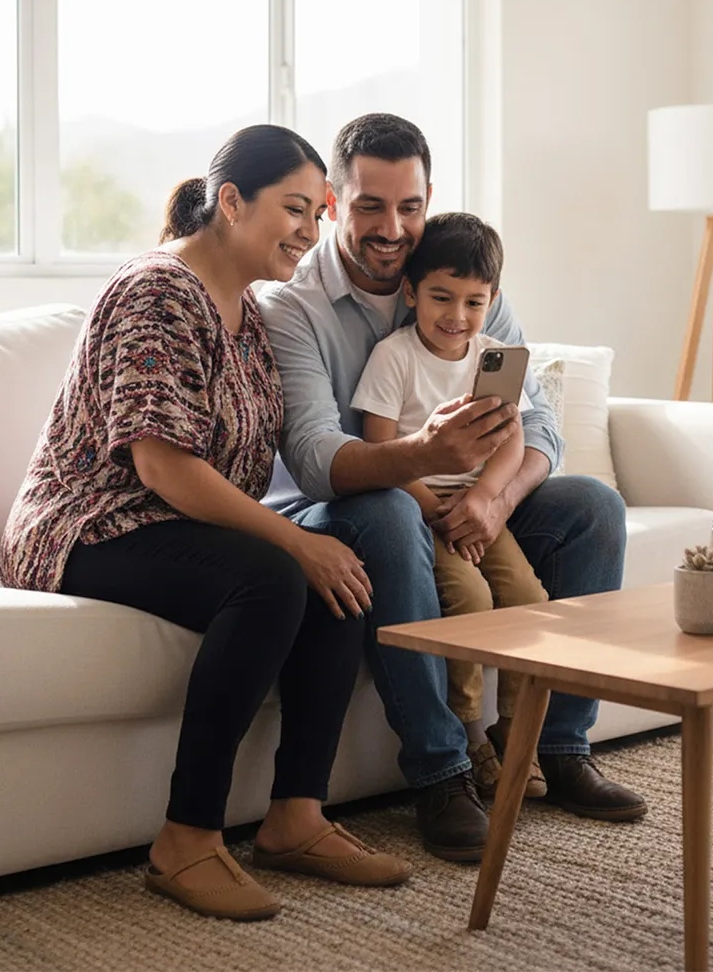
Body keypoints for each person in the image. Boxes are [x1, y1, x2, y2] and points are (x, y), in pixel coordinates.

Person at [0, 125, 411, 923]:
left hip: (173, 522)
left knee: (334, 564)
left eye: (317, 212)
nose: (310, 229)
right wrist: (290, 540)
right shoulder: (157, 288)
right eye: (295, 208)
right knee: (276, 575)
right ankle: (185, 839)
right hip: (87, 522)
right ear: (230, 202)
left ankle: (297, 817)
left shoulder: (250, 314)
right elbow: (160, 466)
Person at [258, 114, 647, 863]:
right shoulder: (292, 307)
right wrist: (420, 461)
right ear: (336, 201)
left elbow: (538, 425)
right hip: (347, 512)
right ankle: (441, 770)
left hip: (465, 503)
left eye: (409, 206)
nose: (392, 226)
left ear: (428, 198)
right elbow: (312, 455)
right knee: (386, 512)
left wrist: (489, 501)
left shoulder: (465, 281)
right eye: (370, 205)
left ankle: (559, 745)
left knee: (592, 508)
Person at [351, 212, 549, 801]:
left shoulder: (494, 358)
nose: (457, 317)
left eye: (474, 302)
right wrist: (439, 514)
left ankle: (517, 731)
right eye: (441, 297)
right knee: (470, 597)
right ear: (411, 291)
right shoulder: (395, 356)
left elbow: (513, 435)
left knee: (528, 598)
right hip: (417, 500)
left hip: (477, 501)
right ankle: (467, 736)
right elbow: (379, 443)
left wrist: (486, 499)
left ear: (491, 301)